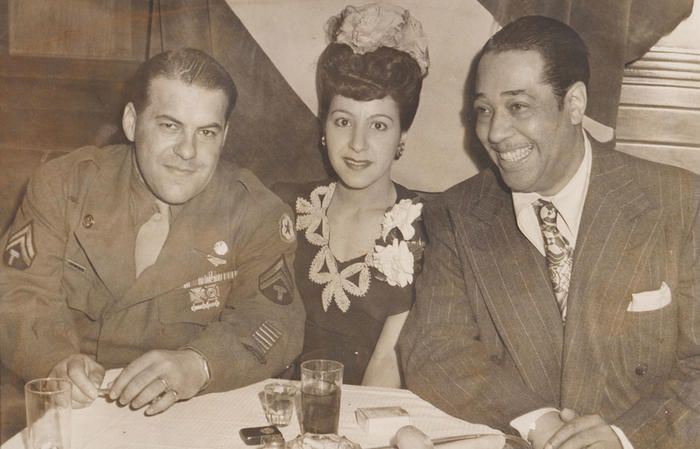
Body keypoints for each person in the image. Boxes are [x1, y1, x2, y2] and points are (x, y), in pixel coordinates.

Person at [398, 15, 700, 449]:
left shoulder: (681, 203)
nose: (495, 132)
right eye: (484, 110)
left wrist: (625, 437)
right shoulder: (457, 214)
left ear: (574, 104)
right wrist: (539, 423)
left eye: (518, 106)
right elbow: (433, 349)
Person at [0, 47, 304, 435]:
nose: (188, 151)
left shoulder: (255, 211)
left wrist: (200, 363)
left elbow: (275, 321)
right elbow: (18, 292)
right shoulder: (65, 186)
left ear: (225, 136)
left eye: (206, 132)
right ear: (132, 122)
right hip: (73, 408)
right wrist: (55, 360)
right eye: (170, 126)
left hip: (195, 414)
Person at [273, 2, 428, 387]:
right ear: (324, 128)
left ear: (402, 136)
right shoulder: (283, 206)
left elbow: (387, 363)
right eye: (343, 121)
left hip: (370, 410)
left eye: (379, 125)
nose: (357, 144)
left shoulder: (427, 228)